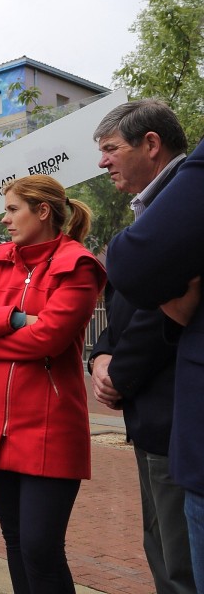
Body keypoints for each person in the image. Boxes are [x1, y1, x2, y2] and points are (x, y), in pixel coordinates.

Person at [0, 176, 104, 593]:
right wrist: (14, 318)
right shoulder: (2, 259)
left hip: (49, 426)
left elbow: (50, 339)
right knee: (16, 541)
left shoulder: (78, 264)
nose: (4, 220)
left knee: (41, 549)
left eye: (12, 209)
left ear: (42, 211)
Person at [94, 100, 197, 593]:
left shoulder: (184, 203)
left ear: (151, 144)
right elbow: (123, 305)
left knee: (179, 564)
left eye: (111, 149)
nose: (102, 162)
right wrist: (100, 355)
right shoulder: (148, 211)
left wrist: (120, 373)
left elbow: (166, 311)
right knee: (162, 549)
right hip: (151, 416)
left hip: (174, 416)